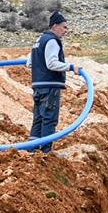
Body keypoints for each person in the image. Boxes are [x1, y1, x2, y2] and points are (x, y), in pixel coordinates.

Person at [28, 11, 76, 151]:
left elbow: (29, 63)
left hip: (37, 86)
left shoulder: (39, 41)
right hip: (49, 86)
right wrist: (71, 67)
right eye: (64, 27)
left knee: (38, 119)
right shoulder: (52, 41)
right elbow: (51, 64)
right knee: (49, 119)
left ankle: (32, 150)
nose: (66, 30)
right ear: (55, 26)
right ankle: (46, 153)